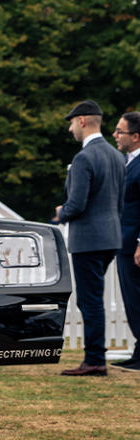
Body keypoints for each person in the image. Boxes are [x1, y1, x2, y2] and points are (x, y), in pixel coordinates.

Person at [55, 100, 125, 376]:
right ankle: (96, 356)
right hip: (111, 237)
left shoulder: (84, 158)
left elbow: (77, 204)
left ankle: (95, 360)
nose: (71, 129)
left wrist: (61, 213)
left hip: (88, 239)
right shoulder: (116, 155)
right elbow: (118, 202)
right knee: (95, 298)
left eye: (72, 123)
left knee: (90, 301)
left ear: (82, 121)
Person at [111, 111, 140, 371]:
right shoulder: (126, 161)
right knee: (132, 300)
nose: (115, 135)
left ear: (136, 136)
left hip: (135, 243)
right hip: (124, 241)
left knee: (137, 298)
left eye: (120, 131)